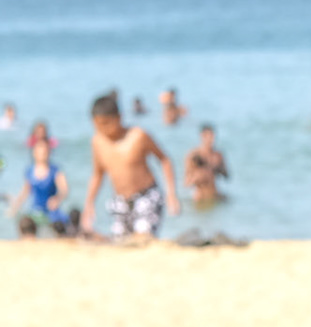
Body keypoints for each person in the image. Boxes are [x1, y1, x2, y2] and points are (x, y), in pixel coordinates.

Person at [81, 92, 179, 240]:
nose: (102, 129)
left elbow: (164, 160)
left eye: (106, 123)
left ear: (119, 117)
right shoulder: (97, 142)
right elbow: (98, 174)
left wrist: (171, 194)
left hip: (147, 196)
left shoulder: (137, 136)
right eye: (98, 125)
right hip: (120, 201)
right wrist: (89, 204)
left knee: (142, 238)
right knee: (120, 242)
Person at [10, 136, 72, 236]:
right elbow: (25, 192)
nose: (43, 152)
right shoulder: (30, 171)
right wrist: (15, 206)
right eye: (40, 149)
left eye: (45, 149)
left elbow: (65, 190)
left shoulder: (55, 170)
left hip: (51, 212)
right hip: (36, 212)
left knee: (62, 225)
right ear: (34, 152)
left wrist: (57, 198)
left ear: (50, 152)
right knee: (24, 223)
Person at [184, 125, 230, 205]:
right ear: (202, 136)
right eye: (208, 136)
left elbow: (227, 176)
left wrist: (217, 169)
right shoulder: (193, 155)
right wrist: (199, 175)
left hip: (214, 195)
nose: (211, 140)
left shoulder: (218, 156)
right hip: (199, 197)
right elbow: (186, 182)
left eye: (212, 137)